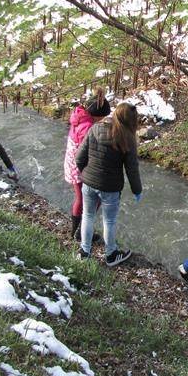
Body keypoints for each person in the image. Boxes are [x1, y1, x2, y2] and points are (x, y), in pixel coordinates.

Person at [75, 102, 142, 266]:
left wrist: (86, 173)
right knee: (109, 221)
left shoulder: (95, 128)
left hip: (89, 183)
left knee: (88, 216)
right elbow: (132, 169)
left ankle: (85, 251)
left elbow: (79, 157)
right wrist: (137, 190)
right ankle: (111, 254)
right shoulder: (127, 138)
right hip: (110, 188)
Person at [63, 95, 110, 241]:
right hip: (79, 167)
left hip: (72, 164)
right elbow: (89, 151)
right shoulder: (87, 127)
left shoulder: (80, 116)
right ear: (96, 115)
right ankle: (79, 232)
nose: (102, 120)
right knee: (92, 200)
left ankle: (76, 231)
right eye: (101, 117)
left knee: (81, 199)